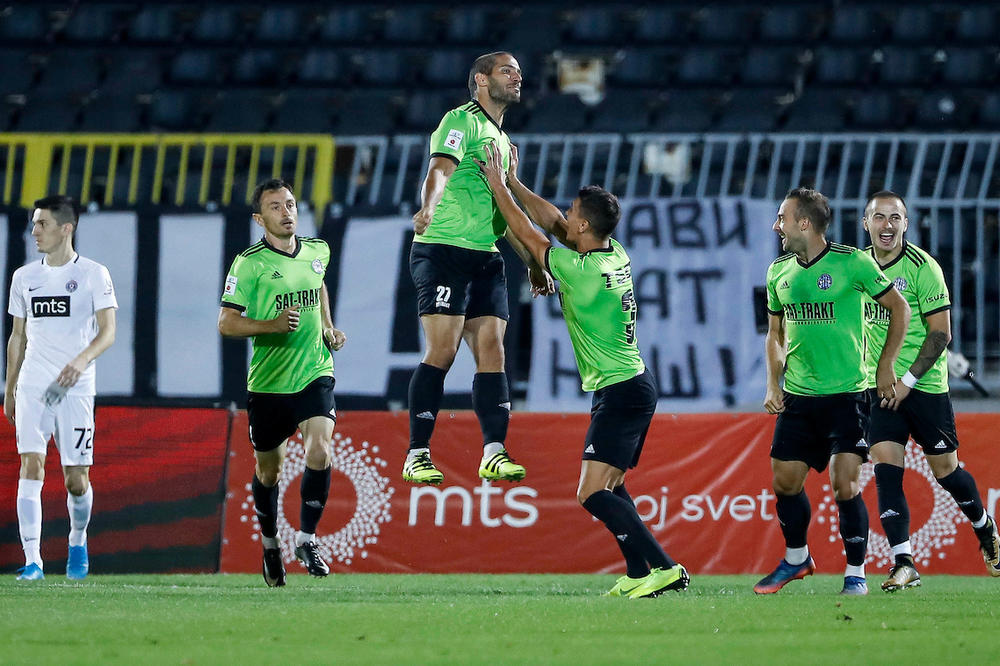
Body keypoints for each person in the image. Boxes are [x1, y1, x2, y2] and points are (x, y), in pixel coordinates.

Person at [479, 142, 689, 598]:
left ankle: (666, 567)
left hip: (621, 391)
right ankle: (637, 573)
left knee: (591, 493)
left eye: (574, 213)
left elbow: (532, 238)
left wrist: (497, 186)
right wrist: (515, 182)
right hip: (631, 384)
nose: (566, 218)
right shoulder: (614, 254)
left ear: (587, 226)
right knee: (612, 483)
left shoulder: (580, 270)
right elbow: (553, 223)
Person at [404, 51, 553, 486]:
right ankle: (417, 452)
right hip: (443, 249)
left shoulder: (506, 144)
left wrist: (530, 262)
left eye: (520, 72)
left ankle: (493, 450)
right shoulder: (461, 121)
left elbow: (502, 210)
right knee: (444, 350)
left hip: (485, 254)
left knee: (494, 351)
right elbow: (439, 171)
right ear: (481, 80)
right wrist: (427, 207)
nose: (517, 77)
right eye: (507, 71)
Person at [756, 187, 910, 596]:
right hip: (800, 397)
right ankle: (796, 559)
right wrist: (774, 382)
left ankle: (855, 572)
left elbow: (900, 307)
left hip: (848, 394)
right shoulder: (778, 272)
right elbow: (775, 334)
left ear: (803, 223)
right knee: (785, 483)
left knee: (845, 485)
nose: (777, 226)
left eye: (782, 219)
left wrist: (885, 366)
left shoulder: (852, 263)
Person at [862, 190, 1000, 590]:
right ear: (865, 223)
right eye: (879, 217)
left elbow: (941, 334)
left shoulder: (924, 268)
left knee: (946, 471)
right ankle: (903, 563)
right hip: (880, 386)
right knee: (886, 471)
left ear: (906, 224)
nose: (887, 225)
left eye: (895, 218)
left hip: (923, 387)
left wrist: (907, 381)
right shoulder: (857, 268)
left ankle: (984, 527)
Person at [218, 178, 347, 587]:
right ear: (260, 218)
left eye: (290, 203)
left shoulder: (317, 250)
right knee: (268, 472)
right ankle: (271, 544)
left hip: (314, 370)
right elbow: (226, 323)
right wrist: (270, 325)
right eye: (275, 207)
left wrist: (328, 326)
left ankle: (307, 539)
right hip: (269, 383)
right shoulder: (248, 263)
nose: (286, 212)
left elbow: (318, 283)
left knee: (320, 449)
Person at [4, 195, 117, 581]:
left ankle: (77, 539)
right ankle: (33, 560)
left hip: (76, 386)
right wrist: (10, 387)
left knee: (76, 479)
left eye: (42, 224)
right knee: (31, 465)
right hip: (34, 382)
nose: (34, 231)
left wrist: (82, 360)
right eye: (34, 223)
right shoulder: (24, 278)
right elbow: (17, 337)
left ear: (66, 228)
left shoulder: (93, 274)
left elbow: (108, 332)